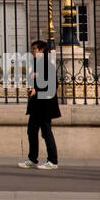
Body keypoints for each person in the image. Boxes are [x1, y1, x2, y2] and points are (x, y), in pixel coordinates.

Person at [19, 40, 60, 170]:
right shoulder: (36, 64)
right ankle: (32, 159)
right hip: (36, 105)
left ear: (41, 50)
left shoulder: (47, 65)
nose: (32, 52)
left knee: (46, 133)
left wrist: (38, 86)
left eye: (34, 49)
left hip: (45, 105)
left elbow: (53, 85)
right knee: (31, 131)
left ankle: (53, 161)